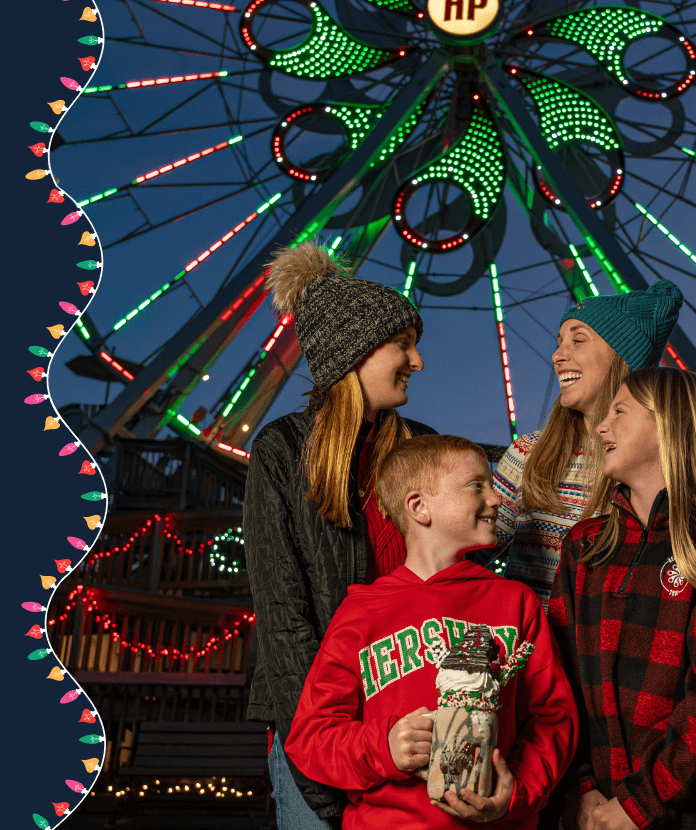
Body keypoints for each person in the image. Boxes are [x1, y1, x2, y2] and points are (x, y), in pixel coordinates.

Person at [284, 435, 579, 829]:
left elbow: (553, 718)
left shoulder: (516, 603)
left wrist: (518, 792)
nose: (497, 499)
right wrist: (384, 747)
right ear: (420, 507)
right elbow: (310, 738)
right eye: (477, 486)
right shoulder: (361, 612)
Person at [243, 243, 434, 829]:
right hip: (317, 730)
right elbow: (283, 617)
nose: (418, 361)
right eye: (402, 344)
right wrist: (319, 762)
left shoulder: (424, 447)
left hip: (409, 724)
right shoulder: (281, 451)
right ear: (354, 352)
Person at [493, 280, 696, 612]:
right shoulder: (529, 455)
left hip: (617, 653)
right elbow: (466, 551)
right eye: (559, 342)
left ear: (620, 358)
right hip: (531, 656)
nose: (557, 355)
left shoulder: (670, 469)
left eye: (578, 340)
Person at [549, 368, 696, 830]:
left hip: (682, 816)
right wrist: (580, 791)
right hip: (587, 811)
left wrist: (638, 805)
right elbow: (557, 681)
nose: (600, 425)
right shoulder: (584, 547)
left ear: (669, 427)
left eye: (619, 411)